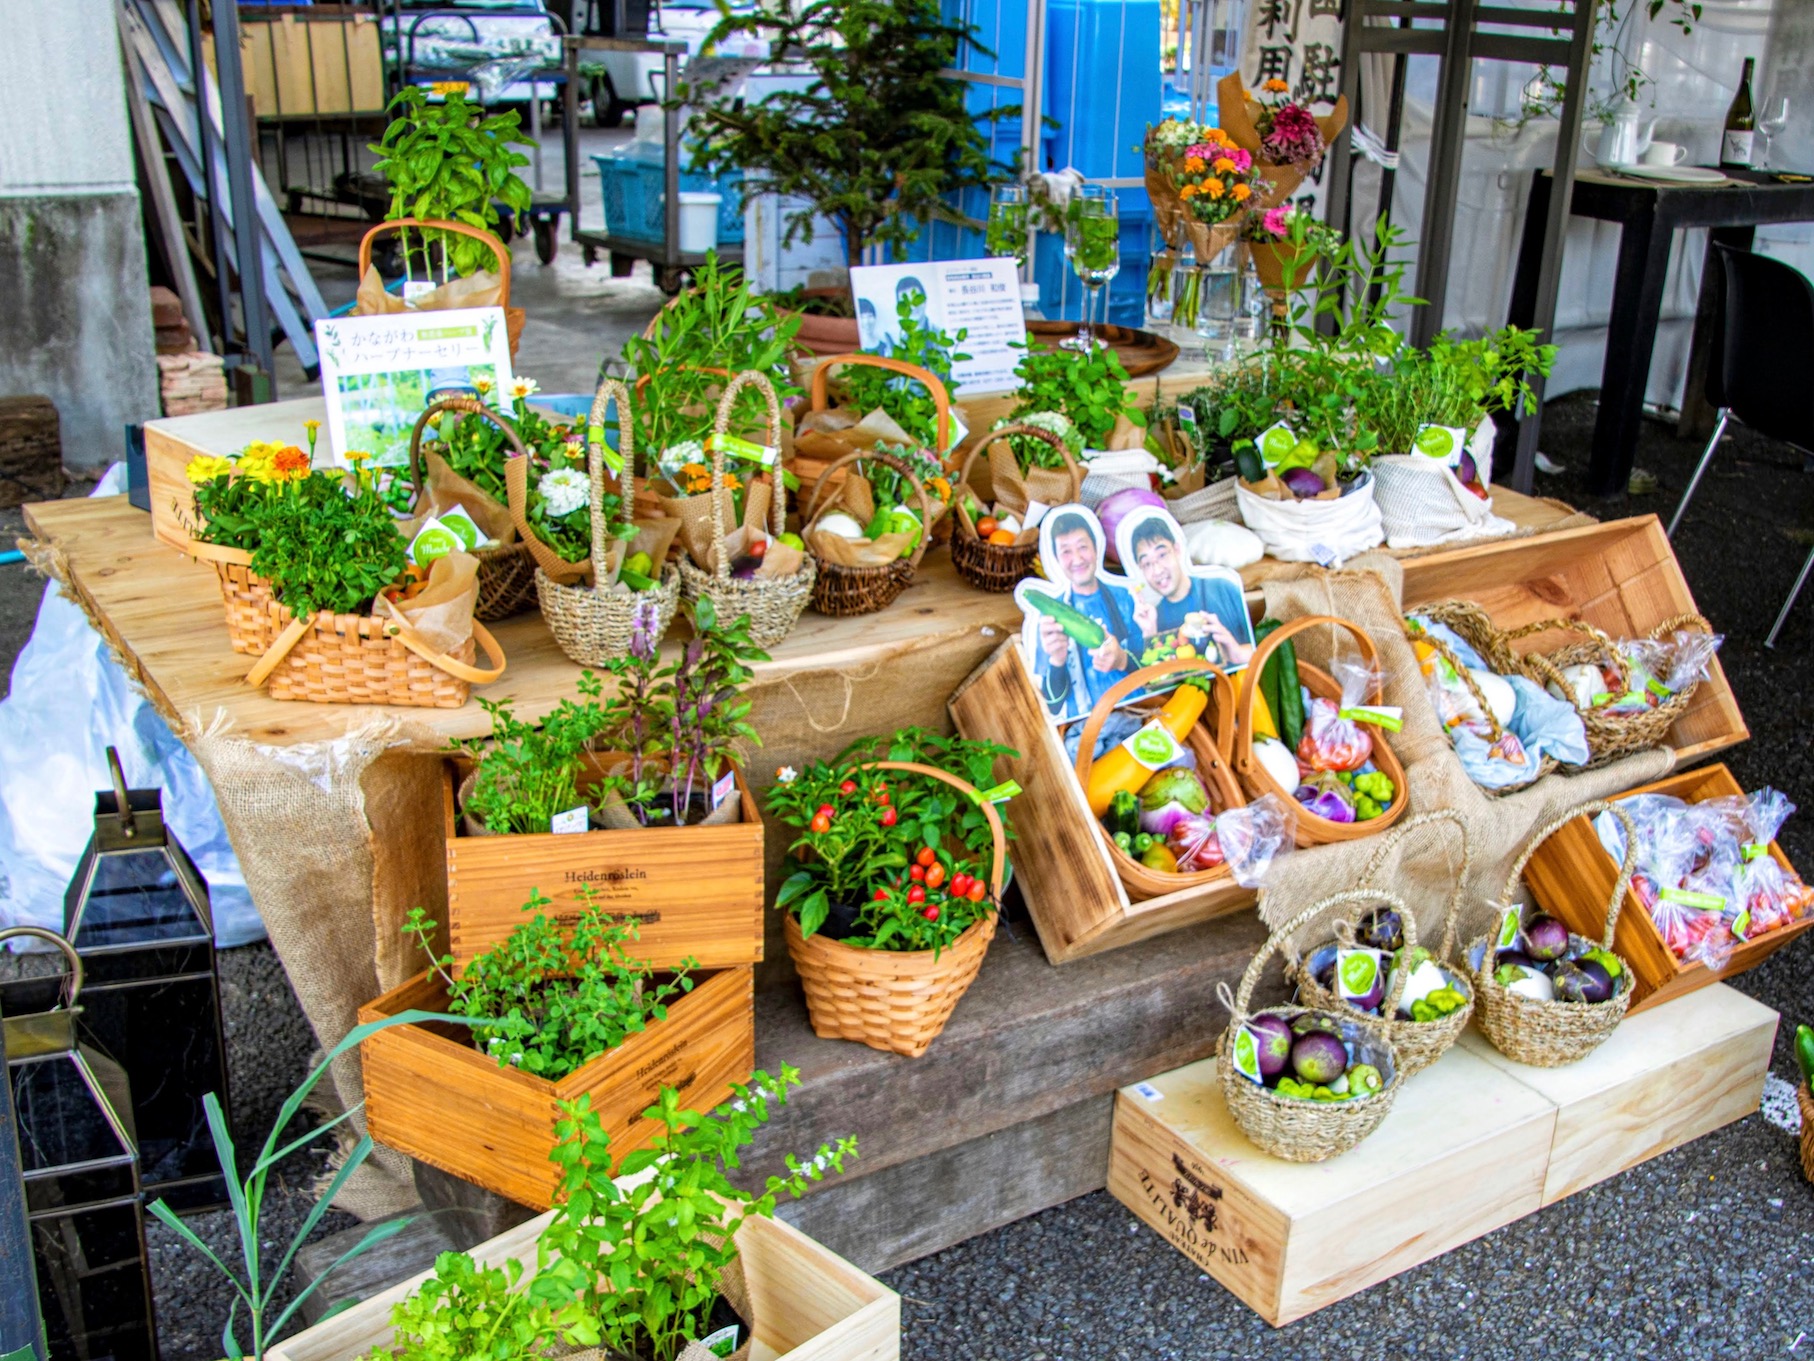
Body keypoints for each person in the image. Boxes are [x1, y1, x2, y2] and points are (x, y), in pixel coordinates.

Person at [1032, 510, 1144, 721]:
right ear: (1056, 559)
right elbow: (1052, 706)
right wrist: (1057, 660)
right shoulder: (1049, 620)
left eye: (1082, 547)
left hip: (1139, 714)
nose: (1077, 559)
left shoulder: (1127, 599)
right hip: (1086, 729)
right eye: (1066, 551)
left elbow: (1155, 670)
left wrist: (1122, 659)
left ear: (1096, 548)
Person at [1127, 514, 1254, 667]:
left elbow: (1266, 651)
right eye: (1147, 564)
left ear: (1177, 550)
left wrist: (1238, 653)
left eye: (1162, 555)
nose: (1157, 570)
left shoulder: (1223, 589)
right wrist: (1150, 633)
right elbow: (1158, 677)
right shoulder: (1152, 620)